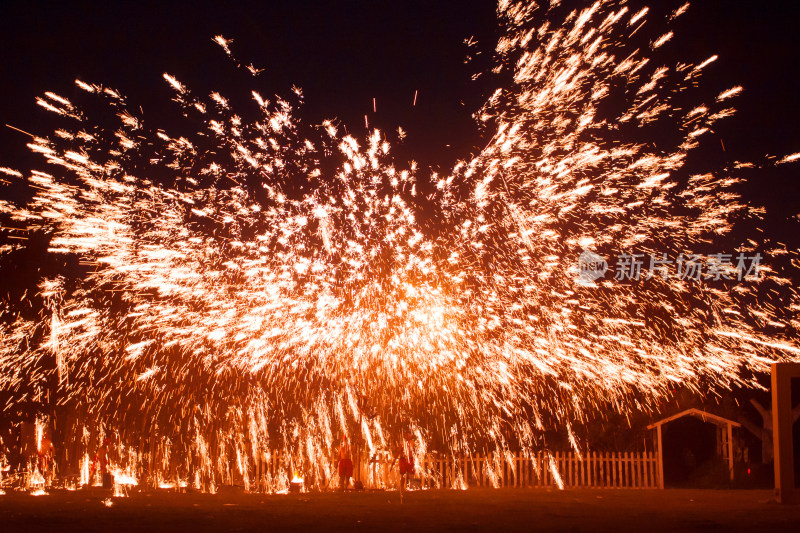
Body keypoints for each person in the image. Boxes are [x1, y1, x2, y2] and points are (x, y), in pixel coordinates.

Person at [390, 432, 416, 498]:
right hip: (403, 460)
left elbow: (414, 452)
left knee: (411, 474)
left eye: (408, 434)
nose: (407, 436)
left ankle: (411, 487)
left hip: (410, 459)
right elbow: (398, 452)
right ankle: (402, 489)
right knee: (403, 475)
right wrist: (393, 461)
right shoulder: (402, 444)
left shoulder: (412, 443)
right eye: (406, 434)